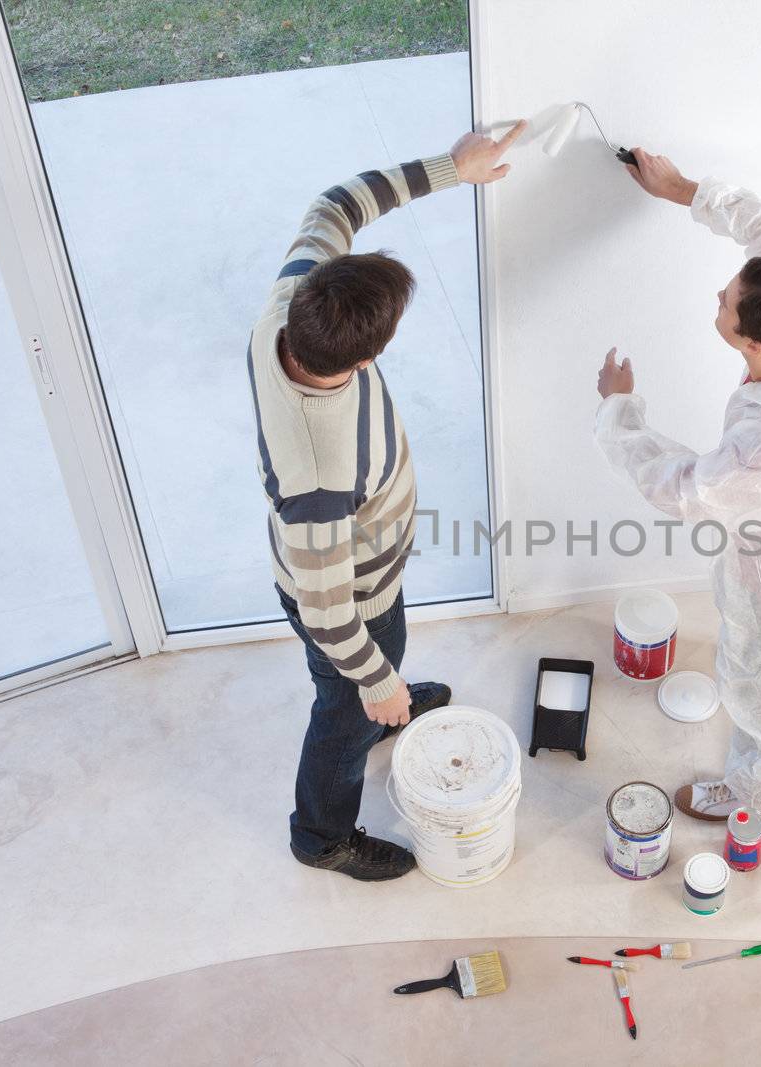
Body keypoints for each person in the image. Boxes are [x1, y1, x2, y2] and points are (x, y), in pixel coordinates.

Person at [249, 120, 526, 880]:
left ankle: (383, 698)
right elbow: (328, 611)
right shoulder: (319, 472)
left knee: (384, 656)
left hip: (368, 576)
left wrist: (452, 168)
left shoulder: (286, 306)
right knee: (342, 706)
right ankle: (322, 834)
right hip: (345, 598)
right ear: (367, 358)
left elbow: (334, 205)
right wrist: (376, 681)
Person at [593, 148, 761, 821]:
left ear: (751, 346)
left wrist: (619, 410)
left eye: (726, 303)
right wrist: (679, 188)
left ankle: (758, 798)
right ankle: (760, 776)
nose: (718, 296)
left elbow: (684, 488)